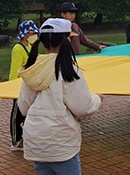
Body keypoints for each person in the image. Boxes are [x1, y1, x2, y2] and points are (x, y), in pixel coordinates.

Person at [17, 18, 103, 175]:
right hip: (61, 145)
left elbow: (23, 107)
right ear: (66, 39)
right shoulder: (69, 70)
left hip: (36, 142)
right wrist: (97, 99)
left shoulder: (32, 68)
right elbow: (83, 108)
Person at [8, 20, 39, 152]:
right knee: (17, 116)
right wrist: (13, 90)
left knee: (27, 115)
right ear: (26, 35)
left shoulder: (29, 47)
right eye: (32, 33)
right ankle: (16, 141)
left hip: (29, 87)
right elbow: (14, 71)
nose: (34, 35)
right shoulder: (18, 49)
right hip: (19, 88)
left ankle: (27, 138)